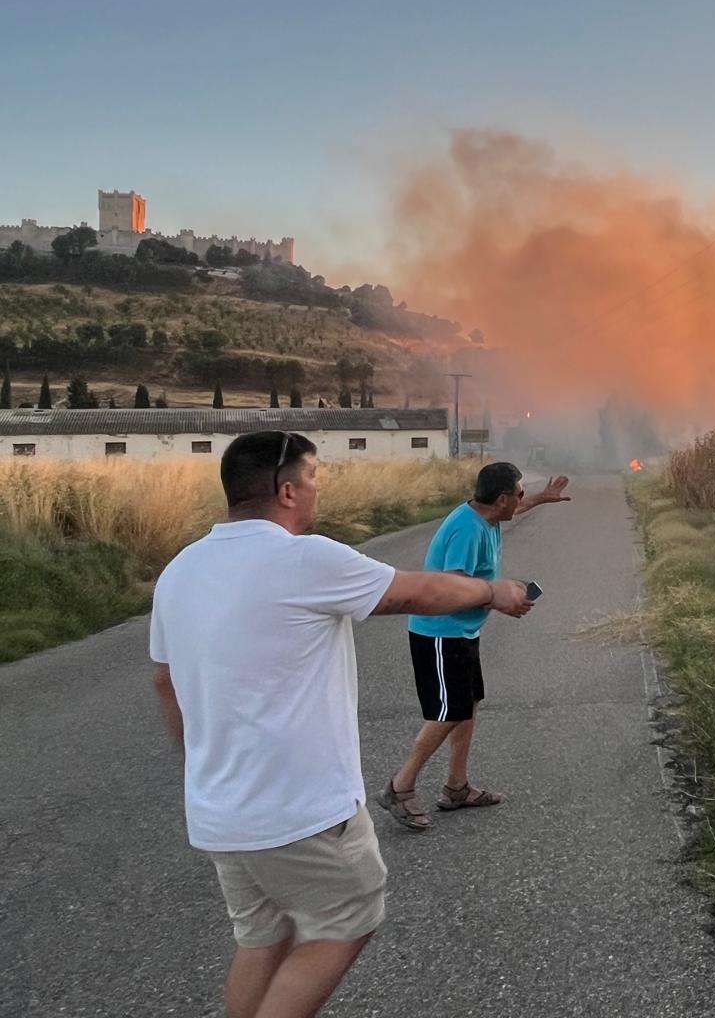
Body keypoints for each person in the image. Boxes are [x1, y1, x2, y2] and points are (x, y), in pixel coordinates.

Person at [150, 431, 534, 1018]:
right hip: (301, 810)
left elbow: (165, 682)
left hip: (219, 811)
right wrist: (493, 590)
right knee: (349, 916)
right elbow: (419, 591)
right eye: (313, 480)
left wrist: (206, 766)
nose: (317, 492)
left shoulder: (179, 570)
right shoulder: (304, 557)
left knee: (264, 937)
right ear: (286, 491)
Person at [379, 462, 571, 831]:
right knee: (447, 713)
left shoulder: (487, 515)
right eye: (518, 493)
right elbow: (452, 584)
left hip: (462, 632)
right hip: (440, 631)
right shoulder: (468, 530)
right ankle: (399, 787)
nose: (521, 498)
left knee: (467, 707)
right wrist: (498, 600)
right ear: (501, 499)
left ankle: (457, 788)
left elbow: (516, 507)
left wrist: (542, 499)